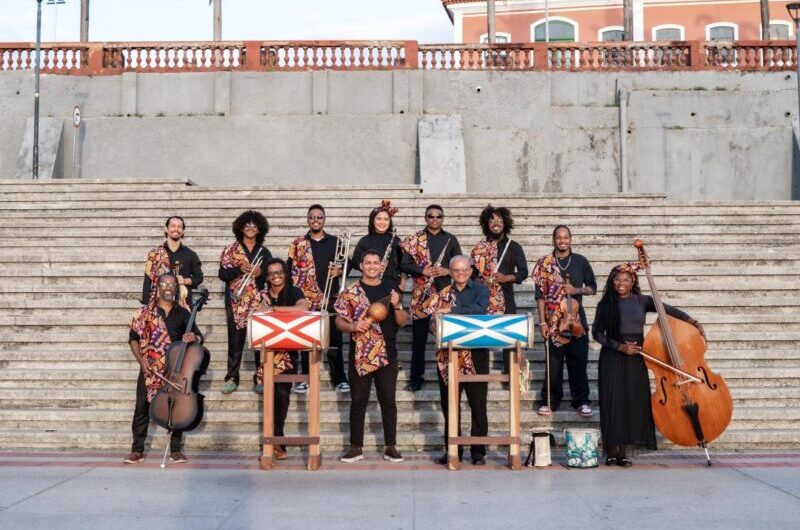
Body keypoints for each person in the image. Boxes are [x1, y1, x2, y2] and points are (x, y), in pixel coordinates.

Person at [592, 263, 705, 467]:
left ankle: (623, 452)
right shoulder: (605, 304)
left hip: (637, 358)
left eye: (626, 279)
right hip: (612, 357)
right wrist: (619, 347)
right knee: (613, 403)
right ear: (612, 281)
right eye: (617, 279)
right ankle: (611, 451)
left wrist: (693, 321)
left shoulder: (643, 301)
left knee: (631, 403)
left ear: (633, 281)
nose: (621, 283)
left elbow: (665, 310)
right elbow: (597, 334)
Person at [335, 249, 408, 463]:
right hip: (360, 353)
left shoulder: (391, 289)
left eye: (376, 262)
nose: (372, 266)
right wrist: (353, 326)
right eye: (368, 263)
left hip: (387, 352)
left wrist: (397, 304)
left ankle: (390, 446)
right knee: (358, 400)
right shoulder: (351, 291)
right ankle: (355, 447)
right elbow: (338, 322)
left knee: (388, 401)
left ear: (381, 266)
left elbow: (403, 321)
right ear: (361, 265)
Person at [124, 272, 203, 464]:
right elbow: (133, 339)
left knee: (177, 408)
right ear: (157, 288)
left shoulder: (183, 313)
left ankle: (176, 450)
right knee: (141, 408)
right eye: (164, 285)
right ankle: (137, 450)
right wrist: (143, 363)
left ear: (176, 289)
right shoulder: (144, 313)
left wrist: (194, 338)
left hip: (175, 369)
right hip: (150, 368)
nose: (168, 288)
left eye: (172, 285)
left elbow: (199, 337)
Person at [429, 255, 490, 466]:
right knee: (449, 405)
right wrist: (434, 326)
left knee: (478, 404)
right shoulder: (443, 293)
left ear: (471, 271)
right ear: (451, 272)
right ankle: (453, 449)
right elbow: (432, 318)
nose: (460, 273)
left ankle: (478, 451)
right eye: (456, 270)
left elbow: (480, 311)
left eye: (464, 269)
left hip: (476, 355)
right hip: (448, 357)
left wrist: (452, 311)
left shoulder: (481, 290)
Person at [532, 225, 597, 418]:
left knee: (579, 363)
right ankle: (550, 401)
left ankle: (582, 401)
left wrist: (576, 290)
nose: (562, 241)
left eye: (565, 237)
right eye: (558, 237)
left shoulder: (580, 261)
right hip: (553, 323)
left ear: (570, 239)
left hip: (575, 320)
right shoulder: (544, 263)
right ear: (553, 240)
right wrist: (542, 322)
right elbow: (540, 296)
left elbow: (593, 288)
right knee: (554, 365)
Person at [399, 204, 462, 391]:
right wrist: (422, 270)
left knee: (445, 336)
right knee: (418, 339)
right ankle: (416, 378)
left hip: (444, 294)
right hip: (421, 295)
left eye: (438, 216)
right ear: (425, 218)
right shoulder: (416, 239)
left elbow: (461, 265)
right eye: (431, 216)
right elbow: (404, 264)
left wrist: (446, 270)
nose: (435, 219)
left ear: (443, 218)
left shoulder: (451, 239)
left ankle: (449, 375)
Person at [288, 204, 349, 394]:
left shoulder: (336, 242)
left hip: (331, 296)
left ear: (324, 219)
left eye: (319, 217)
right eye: (312, 217)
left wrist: (339, 271)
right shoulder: (298, 243)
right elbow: (289, 269)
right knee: (306, 339)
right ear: (308, 219)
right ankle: (305, 378)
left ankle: (339, 378)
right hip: (306, 298)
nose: (316, 220)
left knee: (334, 340)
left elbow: (351, 262)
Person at [254, 258, 310, 460]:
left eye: (279, 272)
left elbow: (303, 309)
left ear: (285, 273)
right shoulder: (261, 295)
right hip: (265, 353)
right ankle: (275, 442)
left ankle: (277, 440)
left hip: (288, 354)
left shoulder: (294, 292)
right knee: (269, 399)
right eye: (271, 273)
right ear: (267, 277)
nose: (276, 276)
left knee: (282, 398)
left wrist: (274, 311)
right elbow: (253, 316)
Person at [470, 205, 528, 378]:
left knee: (509, 338)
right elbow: (470, 274)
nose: (496, 224)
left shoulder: (514, 246)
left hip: (506, 297)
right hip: (483, 299)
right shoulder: (478, 247)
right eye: (492, 220)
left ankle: (510, 375)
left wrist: (507, 278)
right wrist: (479, 281)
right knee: (481, 336)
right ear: (486, 223)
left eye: (500, 220)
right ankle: (481, 373)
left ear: (506, 223)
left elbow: (524, 272)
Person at [218, 210, 272, 394]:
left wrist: (261, 273)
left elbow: (274, 275)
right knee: (235, 340)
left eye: (254, 225)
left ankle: (260, 376)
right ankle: (232, 377)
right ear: (241, 228)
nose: (250, 228)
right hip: (236, 301)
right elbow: (222, 274)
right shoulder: (230, 250)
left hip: (258, 302)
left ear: (259, 230)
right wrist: (239, 269)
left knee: (259, 338)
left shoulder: (264, 252)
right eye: (247, 225)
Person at [141, 215, 203, 307]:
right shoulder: (155, 254)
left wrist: (185, 281)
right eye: (173, 226)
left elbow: (199, 277)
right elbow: (147, 282)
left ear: (183, 231)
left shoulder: (191, 255)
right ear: (166, 229)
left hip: (183, 306)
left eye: (179, 227)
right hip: (159, 306)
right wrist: (146, 305)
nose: (176, 229)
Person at [350, 200, 405, 289]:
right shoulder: (365, 240)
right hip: (369, 285)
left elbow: (403, 265)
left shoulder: (396, 240)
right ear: (373, 221)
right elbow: (355, 262)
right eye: (378, 219)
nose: (382, 222)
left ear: (389, 221)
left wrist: (402, 284)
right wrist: (372, 266)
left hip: (392, 286)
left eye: (386, 219)